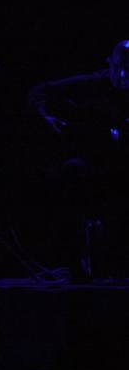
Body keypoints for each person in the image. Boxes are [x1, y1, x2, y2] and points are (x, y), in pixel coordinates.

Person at [26, 40, 129, 280]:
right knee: (73, 173)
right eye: (120, 67)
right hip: (96, 167)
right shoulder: (94, 84)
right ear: (110, 64)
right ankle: (79, 260)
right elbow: (40, 90)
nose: (124, 75)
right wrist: (45, 118)